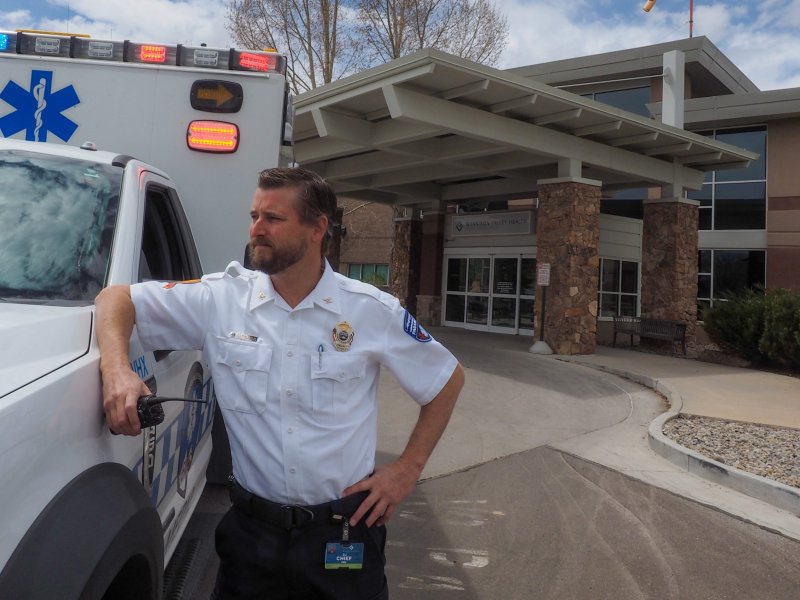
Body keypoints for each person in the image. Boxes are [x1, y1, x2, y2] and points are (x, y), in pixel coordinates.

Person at [95, 167, 465, 599]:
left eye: (273, 218)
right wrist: (118, 370)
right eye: (254, 216)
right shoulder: (221, 300)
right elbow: (115, 299)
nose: (257, 229)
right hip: (252, 537)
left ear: (317, 228)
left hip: (342, 536)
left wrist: (406, 471)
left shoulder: (369, 310)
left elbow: (445, 380)